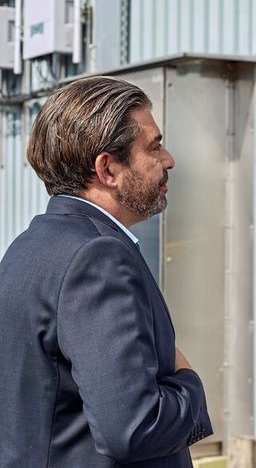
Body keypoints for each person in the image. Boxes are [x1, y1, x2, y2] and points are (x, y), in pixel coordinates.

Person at [0, 76, 212, 467]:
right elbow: (133, 428)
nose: (168, 160)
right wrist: (189, 383)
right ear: (108, 169)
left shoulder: (26, 248)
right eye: (154, 146)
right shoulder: (97, 257)